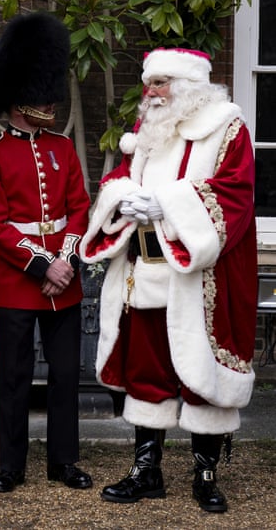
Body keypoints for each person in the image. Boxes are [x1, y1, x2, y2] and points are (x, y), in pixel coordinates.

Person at [80, 48, 257, 513]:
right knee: (147, 368)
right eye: (149, 82)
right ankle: (147, 469)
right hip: (146, 271)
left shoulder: (227, 127)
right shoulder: (147, 130)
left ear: (190, 86)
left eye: (161, 83)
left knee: (200, 373)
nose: (151, 93)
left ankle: (205, 473)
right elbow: (121, 175)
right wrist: (124, 198)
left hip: (199, 276)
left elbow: (235, 192)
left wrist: (170, 206)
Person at [0, 12, 92, 493]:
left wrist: (65, 261)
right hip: (19, 282)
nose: (49, 101)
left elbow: (80, 208)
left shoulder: (63, 148)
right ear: (19, 99)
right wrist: (43, 263)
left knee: (66, 377)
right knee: (15, 378)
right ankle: (11, 466)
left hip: (66, 281)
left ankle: (64, 461)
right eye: (40, 94)